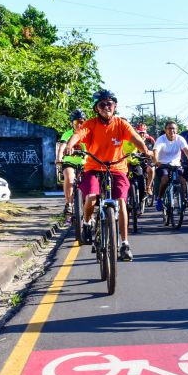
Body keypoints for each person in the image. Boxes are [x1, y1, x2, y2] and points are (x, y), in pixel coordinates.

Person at [66, 89, 151, 262]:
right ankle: (87, 223)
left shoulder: (121, 124)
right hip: (94, 167)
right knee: (90, 198)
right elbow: (77, 135)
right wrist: (70, 145)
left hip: (117, 168)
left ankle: (124, 244)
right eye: (102, 104)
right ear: (96, 108)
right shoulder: (90, 124)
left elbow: (135, 138)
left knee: (121, 202)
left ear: (115, 106)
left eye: (110, 104)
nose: (106, 107)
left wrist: (146, 150)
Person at [152, 121, 188, 211]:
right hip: (163, 164)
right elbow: (155, 151)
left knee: (182, 180)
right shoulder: (161, 139)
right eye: (169, 128)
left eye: (174, 128)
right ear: (165, 130)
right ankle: (159, 199)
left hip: (176, 165)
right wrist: (156, 161)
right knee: (165, 179)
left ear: (177, 130)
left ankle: (183, 200)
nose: (172, 130)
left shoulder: (180, 139)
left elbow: (186, 150)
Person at [56, 110, 87, 215]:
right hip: (70, 162)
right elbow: (62, 146)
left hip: (85, 163)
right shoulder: (67, 134)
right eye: (76, 122)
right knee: (69, 178)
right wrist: (59, 157)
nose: (79, 125)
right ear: (71, 123)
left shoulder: (88, 134)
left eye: (81, 122)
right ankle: (68, 203)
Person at [134, 123, 156, 197]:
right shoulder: (134, 139)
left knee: (151, 169)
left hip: (148, 159)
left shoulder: (150, 140)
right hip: (136, 160)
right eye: (140, 133)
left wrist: (151, 155)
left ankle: (148, 187)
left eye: (143, 133)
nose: (142, 135)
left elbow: (155, 151)